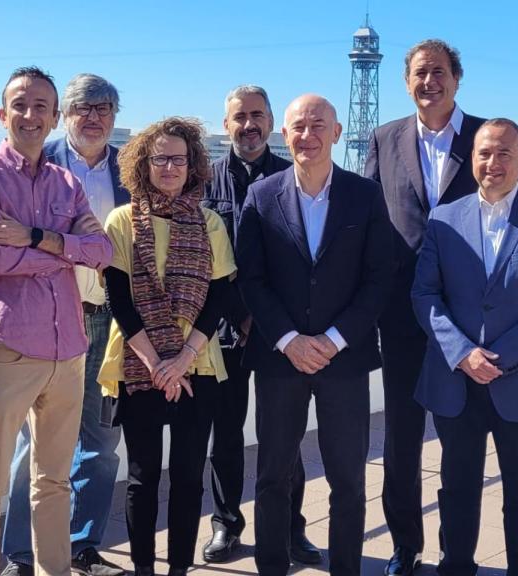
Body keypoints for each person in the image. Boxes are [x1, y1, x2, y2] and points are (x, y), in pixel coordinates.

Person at [0, 67, 113, 576]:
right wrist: (67, 250)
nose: (30, 114)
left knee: (54, 482)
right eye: (21, 105)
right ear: (4, 115)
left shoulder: (65, 182)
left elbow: (103, 250)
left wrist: (33, 236)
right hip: (8, 352)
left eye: (41, 106)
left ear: (53, 117)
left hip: (68, 350)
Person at [236, 94, 395, 576]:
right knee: (272, 477)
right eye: (299, 127)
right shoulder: (261, 197)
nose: (308, 135)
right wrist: (289, 340)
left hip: (343, 362)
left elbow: (379, 276)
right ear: (285, 135)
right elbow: (251, 278)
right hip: (279, 360)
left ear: (338, 131)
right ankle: (271, 567)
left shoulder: (365, 195)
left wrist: (334, 339)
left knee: (348, 479)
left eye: (318, 125)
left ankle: (346, 567)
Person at [412, 119, 518, 575]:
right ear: (473, 161)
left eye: (505, 153)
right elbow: (424, 294)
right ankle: (455, 567)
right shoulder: (444, 220)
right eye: (484, 153)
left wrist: (499, 357)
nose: (493, 163)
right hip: (455, 381)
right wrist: (463, 353)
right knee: (456, 486)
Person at [0, 73, 130, 576]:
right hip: (44, 322)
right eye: (82, 108)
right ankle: (18, 555)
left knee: (99, 444)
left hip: (106, 321)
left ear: (115, 116)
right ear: (63, 116)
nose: (93, 117)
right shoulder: (37, 160)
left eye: (104, 108)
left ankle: (80, 546)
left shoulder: (130, 169)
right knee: (30, 444)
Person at [363, 39, 485, 576]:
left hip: (471, 316)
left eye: (439, 72)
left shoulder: (487, 136)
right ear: (406, 81)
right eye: (419, 73)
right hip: (402, 314)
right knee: (402, 439)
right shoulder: (385, 137)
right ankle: (405, 547)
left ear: (457, 79)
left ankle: (457, 553)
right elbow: (367, 216)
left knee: (461, 441)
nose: (429, 82)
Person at [95, 117, 233, 576]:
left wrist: (183, 359)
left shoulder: (209, 222)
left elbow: (219, 297)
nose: (170, 167)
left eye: (179, 158)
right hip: (140, 369)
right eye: (161, 158)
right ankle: (143, 570)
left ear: (193, 164)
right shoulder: (121, 220)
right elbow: (118, 298)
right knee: (141, 478)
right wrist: (158, 364)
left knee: (190, 478)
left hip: (198, 368)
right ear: (143, 164)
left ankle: (178, 569)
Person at [199, 84, 320, 565]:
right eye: (239, 117)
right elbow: (201, 260)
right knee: (225, 434)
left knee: (283, 436)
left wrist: (266, 320)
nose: (248, 125)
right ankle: (227, 526)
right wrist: (240, 314)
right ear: (225, 124)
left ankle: (291, 527)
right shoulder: (204, 182)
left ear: (272, 123)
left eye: (257, 116)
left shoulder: (295, 179)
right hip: (223, 332)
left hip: (279, 334)